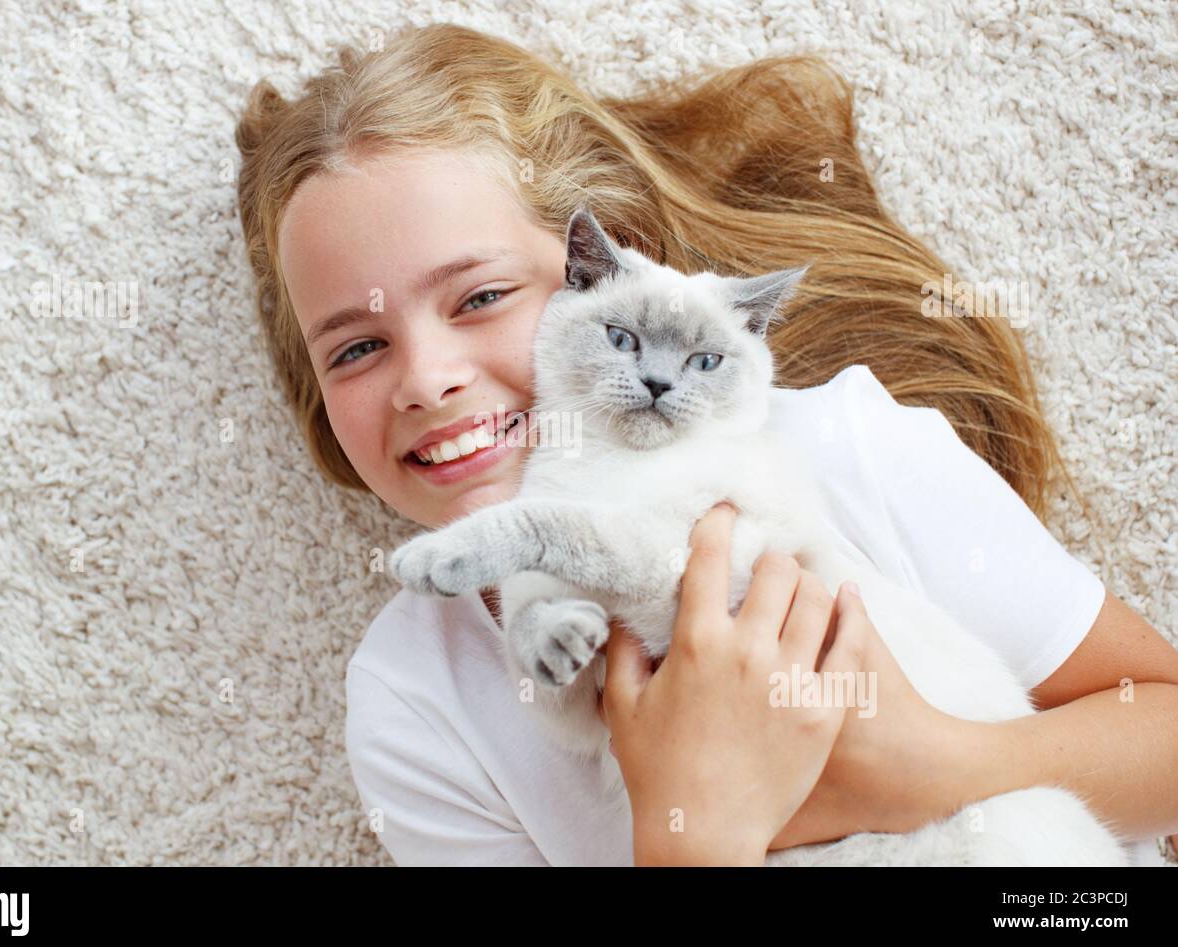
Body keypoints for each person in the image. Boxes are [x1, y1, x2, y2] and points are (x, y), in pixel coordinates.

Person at [234, 23, 1178, 865]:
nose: (427, 379)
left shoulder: (843, 447)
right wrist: (697, 835)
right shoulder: (414, 702)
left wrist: (936, 769)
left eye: (480, 297)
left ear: (610, 273)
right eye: (357, 348)